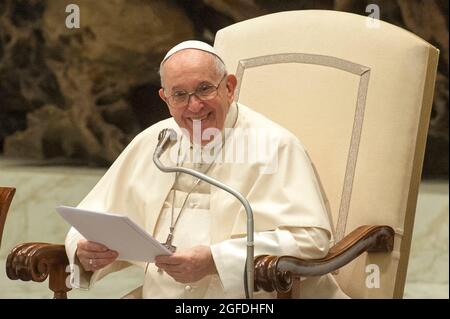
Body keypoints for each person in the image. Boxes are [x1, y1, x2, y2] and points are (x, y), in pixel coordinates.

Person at [65, 40, 347, 298]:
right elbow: (93, 217)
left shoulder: (275, 145)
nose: (195, 106)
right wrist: (86, 249)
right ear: (165, 99)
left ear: (229, 87)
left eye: (204, 89)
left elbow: (311, 239)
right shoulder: (155, 141)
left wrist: (216, 260)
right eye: (180, 95)